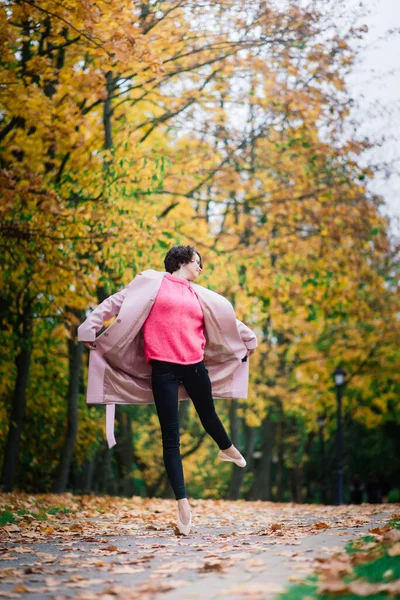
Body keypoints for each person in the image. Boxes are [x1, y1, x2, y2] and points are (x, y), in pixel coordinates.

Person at [78, 245, 258, 535]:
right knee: (170, 437)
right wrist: (89, 328)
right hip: (163, 369)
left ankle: (226, 448)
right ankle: (183, 505)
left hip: (196, 366)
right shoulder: (152, 285)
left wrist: (250, 339)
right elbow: (114, 303)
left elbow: (227, 320)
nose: (201, 268)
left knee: (208, 415)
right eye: (198, 262)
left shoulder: (199, 294)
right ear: (184, 260)